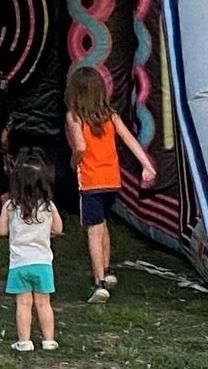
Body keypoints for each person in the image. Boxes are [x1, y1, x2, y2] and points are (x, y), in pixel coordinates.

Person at [64, 66, 157, 304]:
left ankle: (99, 282)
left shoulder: (74, 116)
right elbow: (129, 139)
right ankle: (107, 269)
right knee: (103, 224)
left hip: (91, 181)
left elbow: (81, 147)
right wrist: (147, 165)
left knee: (93, 230)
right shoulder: (110, 115)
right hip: (112, 180)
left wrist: (73, 161)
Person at [0, 150, 61, 352]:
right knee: (44, 303)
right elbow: (58, 229)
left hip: (19, 264)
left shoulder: (11, 206)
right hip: (43, 263)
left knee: (23, 304)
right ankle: (49, 340)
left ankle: (24, 341)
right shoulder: (48, 207)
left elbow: (1, 230)